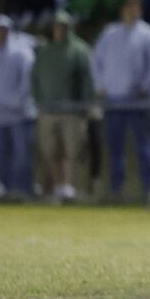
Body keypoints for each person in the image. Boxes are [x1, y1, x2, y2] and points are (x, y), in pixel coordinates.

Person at [92, 0, 150, 199]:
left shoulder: (148, 34)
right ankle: (116, 190)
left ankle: (149, 189)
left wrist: (146, 87)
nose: (131, 10)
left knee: (145, 147)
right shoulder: (110, 33)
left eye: (135, 7)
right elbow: (96, 62)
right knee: (115, 148)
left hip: (138, 101)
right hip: (114, 100)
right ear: (122, 10)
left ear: (140, 9)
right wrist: (101, 86)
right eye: (128, 7)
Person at [31, 10, 94, 202]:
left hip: (72, 111)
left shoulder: (79, 50)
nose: (59, 30)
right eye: (57, 26)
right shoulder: (45, 51)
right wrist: (38, 101)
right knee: (50, 150)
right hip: (48, 110)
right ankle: (58, 186)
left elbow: (86, 81)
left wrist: (85, 106)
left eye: (63, 26)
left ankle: (69, 187)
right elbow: (34, 79)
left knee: (72, 150)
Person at [0, 15, 36, 200]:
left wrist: (17, 100)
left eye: (4, 29)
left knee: (22, 155)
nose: (1, 33)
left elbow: (27, 80)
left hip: (20, 114)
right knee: (2, 155)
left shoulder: (21, 52)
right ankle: (7, 190)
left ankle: (23, 190)